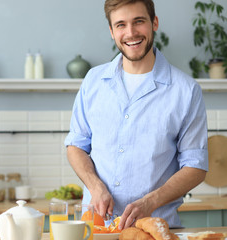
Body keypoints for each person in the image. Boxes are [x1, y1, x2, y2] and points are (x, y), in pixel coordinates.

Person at [64, 0, 208, 230]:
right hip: (96, 229)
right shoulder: (93, 80)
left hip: (154, 230)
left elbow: (196, 166)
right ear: (111, 32)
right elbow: (76, 146)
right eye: (121, 25)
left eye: (138, 22)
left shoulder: (186, 91)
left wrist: (150, 201)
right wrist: (95, 186)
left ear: (154, 23)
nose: (130, 33)